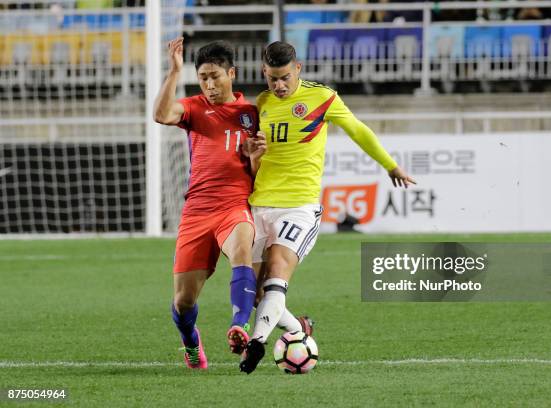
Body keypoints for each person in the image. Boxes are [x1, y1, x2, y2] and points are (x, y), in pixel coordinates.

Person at [239, 41, 416, 374]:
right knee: (256, 293)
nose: (279, 86)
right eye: (273, 78)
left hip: (299, 207)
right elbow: (251, 165)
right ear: (264, 72)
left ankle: (257, 342)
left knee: (278, 269)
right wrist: (253, 155)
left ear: (299, 69)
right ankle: (296, 330)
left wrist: (390, 165)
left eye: (285, 78)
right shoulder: (260, 105)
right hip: (259, 205)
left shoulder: (322, 98)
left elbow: (357, 130)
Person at [153, 37, 266, 369]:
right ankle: (191, 343)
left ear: (232, 73)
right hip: (197, 211)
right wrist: (175, 71)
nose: (210, 84)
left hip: (235, 206)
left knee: (243, 249)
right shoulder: (193, 107)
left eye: (216, 76)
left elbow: (260, 174)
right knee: (184, 301)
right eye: (203, 77)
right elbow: (161, 114)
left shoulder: (252, 114)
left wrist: (256, 157)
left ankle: (239, 325)